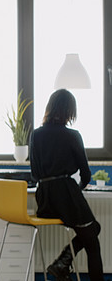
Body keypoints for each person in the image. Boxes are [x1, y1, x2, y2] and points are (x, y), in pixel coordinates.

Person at [29, 89, 104, 281]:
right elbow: (86, 174)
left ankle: (62, 263)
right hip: (66, 196)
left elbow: (35, 174)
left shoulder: (36, 135)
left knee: (94, 228)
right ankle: (62, 262)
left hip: (44, 201)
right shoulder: (72, 135)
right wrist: (76, 190)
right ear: (70, 111)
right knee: (93, 243)